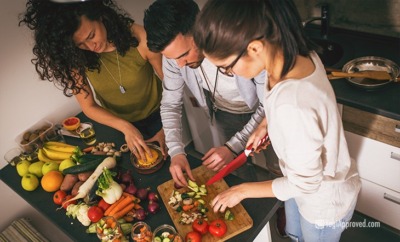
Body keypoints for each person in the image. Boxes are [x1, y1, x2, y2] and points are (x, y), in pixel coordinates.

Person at [193, 0, 361, 241]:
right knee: (293, 234)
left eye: (227, 67)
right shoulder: (295, 55)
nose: (230, 73)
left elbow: (307, 184)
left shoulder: (292, 105)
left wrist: (241, 191)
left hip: (322, 203)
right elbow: (286, 107)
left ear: (254, 48)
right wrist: (266, 124)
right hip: (300, 186)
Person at [19, 0, 166, 161]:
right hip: (116, 122)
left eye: (91, 35)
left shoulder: (141, 38)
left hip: (160, 115)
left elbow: (173, 86)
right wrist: (125, 127)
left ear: (101, 16)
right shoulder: (75, 57)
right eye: (80, 43)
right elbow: (88, 106)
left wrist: (167, 128)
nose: (91, 47)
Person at [143, 0, 267, 187]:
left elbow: (270, 104)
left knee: (281, 164)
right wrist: (177, 151)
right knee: (239, 170)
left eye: (183, 55)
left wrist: (233, 147)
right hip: (226, 113)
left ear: (199, 29)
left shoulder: (239, 42)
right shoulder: (174, 59)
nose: (180, 65)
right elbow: (170, 104)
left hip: (268, 110)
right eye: (171, 59)